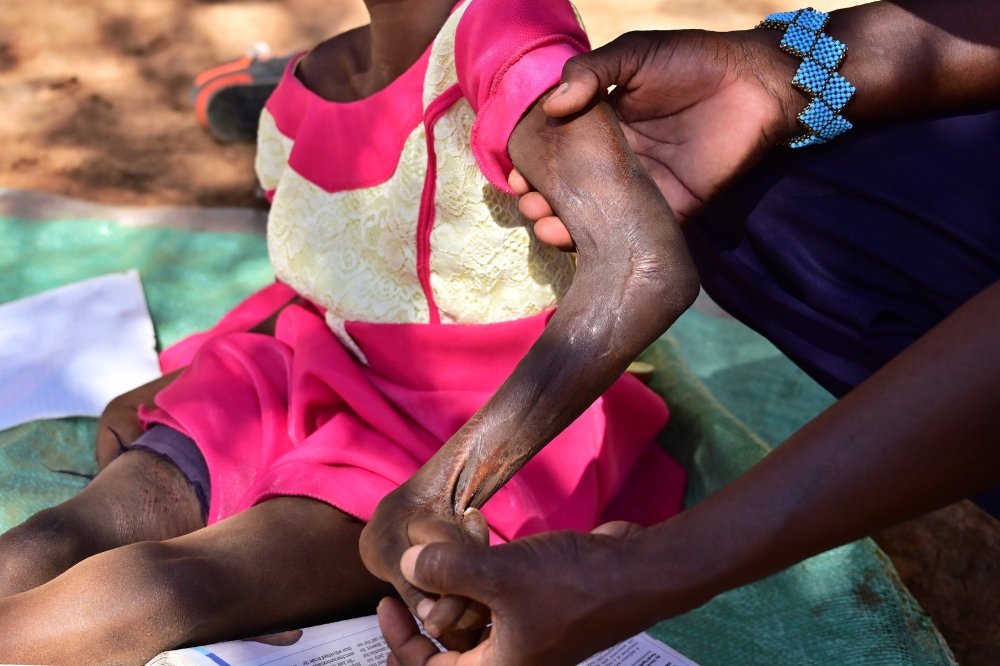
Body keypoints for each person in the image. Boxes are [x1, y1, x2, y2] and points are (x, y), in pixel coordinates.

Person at [0, 0, 699, 663]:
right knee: (60, 533)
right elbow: (335, 280)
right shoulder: (313, 82)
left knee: (171, 587)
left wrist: (444, 491)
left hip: (465, 425)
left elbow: (644, 267)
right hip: (299, 370)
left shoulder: (505, 37)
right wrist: (187, 374)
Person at [366, 1, 1000, 664]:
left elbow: (641, 268)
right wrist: (773, 73)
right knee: (747, 176)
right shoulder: (312, 84)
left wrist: (643, 571)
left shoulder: (495, 28)